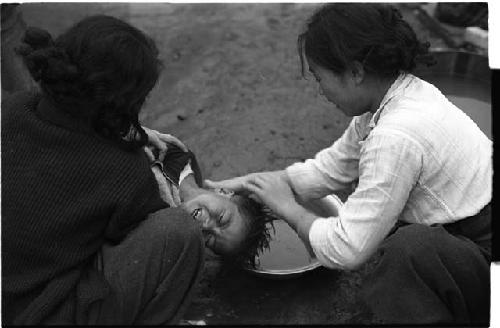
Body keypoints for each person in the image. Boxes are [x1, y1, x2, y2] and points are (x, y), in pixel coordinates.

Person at [205, 3, 492, 325]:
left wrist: (289, 208)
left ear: (355, 72)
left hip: (485, 244)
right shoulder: (394, 98)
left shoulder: (395, 136)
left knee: (405, 254)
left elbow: (347, 250)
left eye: (320, 77)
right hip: (472, 220)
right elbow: (333, 168)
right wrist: (259, 183)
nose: (319, 90)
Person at [2, 16, 204, 325]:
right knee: (178, 232)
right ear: (128, 102)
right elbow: (141, 232)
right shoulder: (125, 171)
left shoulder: (15, 109)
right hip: (43, 314)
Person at [148, 144, 275, 267]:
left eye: (209, 240)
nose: (206, 226)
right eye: (222, 219)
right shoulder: (180, 154)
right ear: (224, 191)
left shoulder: (157, 225)